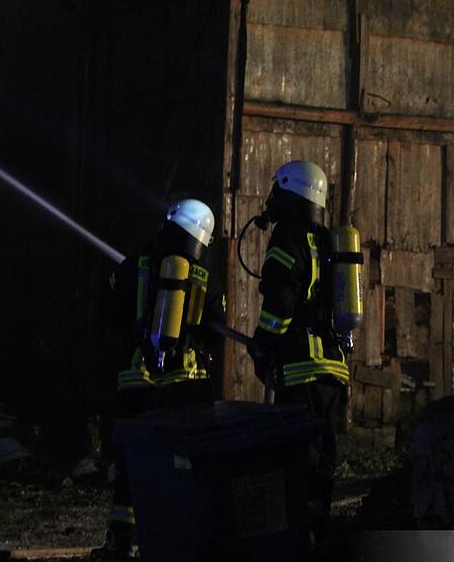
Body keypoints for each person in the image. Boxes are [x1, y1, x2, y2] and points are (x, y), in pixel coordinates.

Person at [92, 199, 225, 561]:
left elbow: (108, 312)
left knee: (131, 464)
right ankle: (181, 541)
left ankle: (121, 541)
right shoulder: (205, 277)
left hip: (136, 382)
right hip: (186, 386)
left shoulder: (133, 265)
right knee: (184, 464)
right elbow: (214, 333)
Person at [250, 160, 351, 524]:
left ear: (293, 193)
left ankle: (297, 536)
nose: (272, 199)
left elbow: (280, 301)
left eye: (277, 190)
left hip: (300, 370)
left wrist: (263, 342)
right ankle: (316, 533)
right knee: (322, 461)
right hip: (333, 371)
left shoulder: (288, 237)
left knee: (295, 460)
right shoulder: (328, 240)